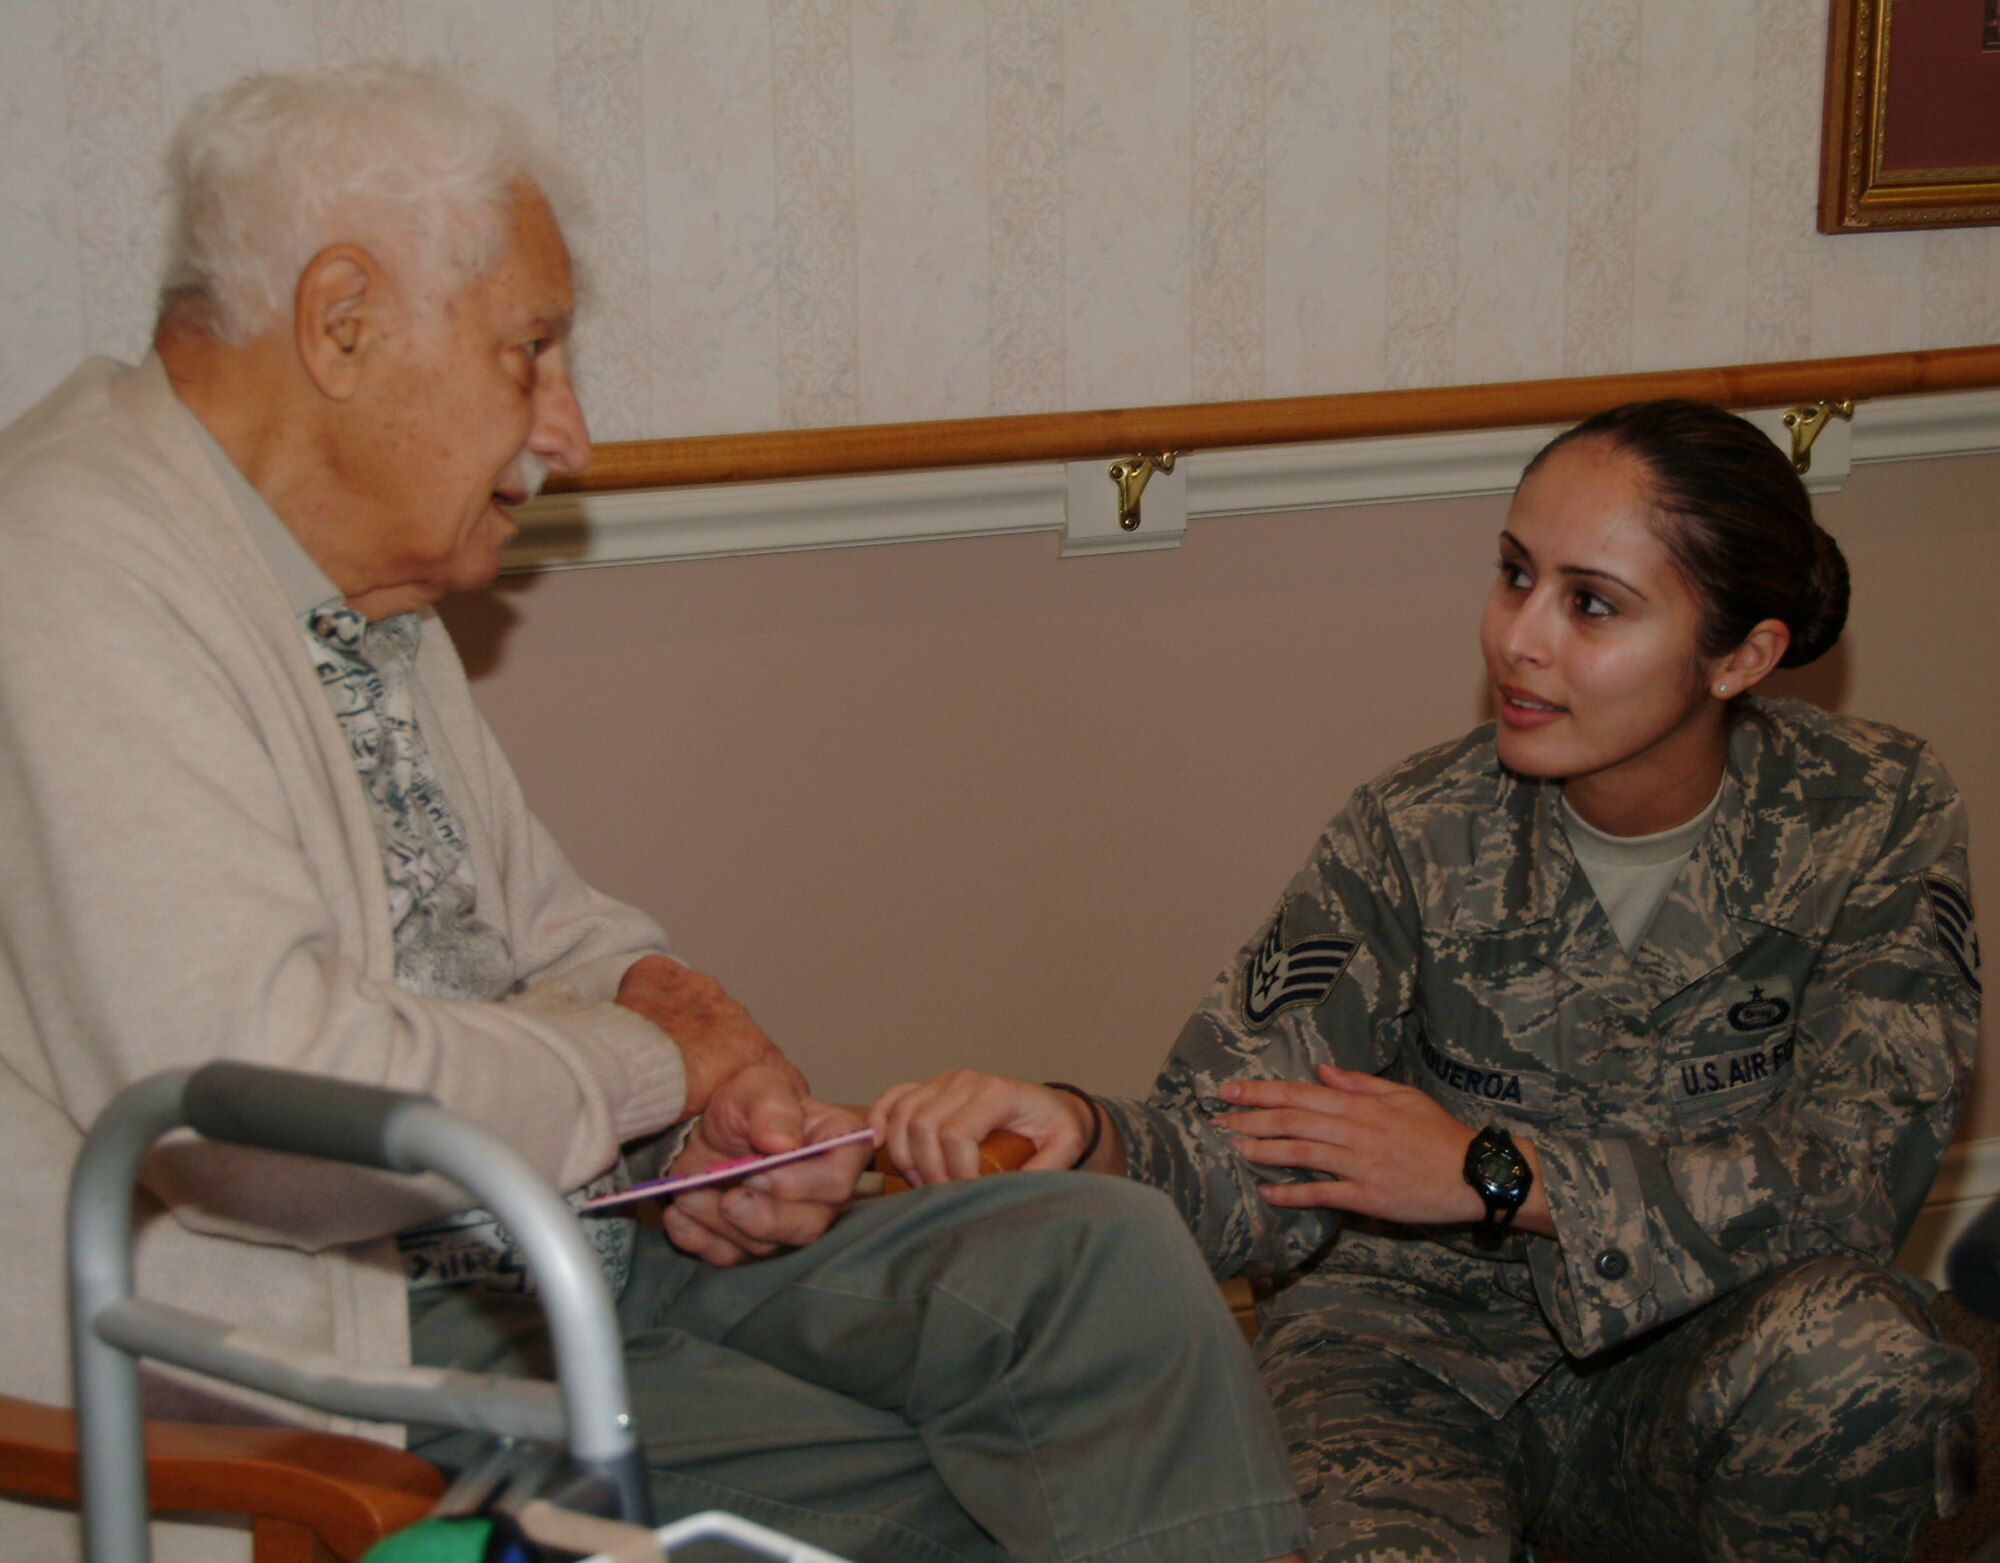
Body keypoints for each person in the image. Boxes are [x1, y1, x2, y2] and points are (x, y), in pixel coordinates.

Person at [0, 63, 1307, 1563]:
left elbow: (545, 930)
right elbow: (260, 1119)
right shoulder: (67, 573)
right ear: (341, 321)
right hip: (332, 1349)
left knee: (1106, 1267)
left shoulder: (353, 572)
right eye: (532, 349)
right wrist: (641, 1066)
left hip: (566, 1239)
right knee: (974, 1489)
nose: (571, 428)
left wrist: (708, 1082)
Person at [874, 400, 1983, 1562]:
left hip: (1693, 1358)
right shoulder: (1414, 831)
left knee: (1863, 1364)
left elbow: (1853, 1178)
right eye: (1514, 576)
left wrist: (1494, 1174)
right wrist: (1082, 1127)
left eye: (1590, 604)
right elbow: (1243, 1138)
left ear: (1741, 656)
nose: (1517, 638)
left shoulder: (1871, 813)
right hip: (1403, 1356)